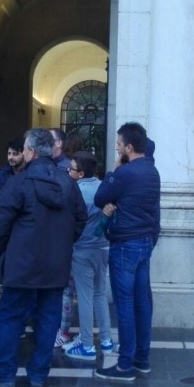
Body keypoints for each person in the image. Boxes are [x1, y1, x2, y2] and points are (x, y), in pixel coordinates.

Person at [0, 128, 86, 387]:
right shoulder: (68, 183)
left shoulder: (18, 182)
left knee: (11, 317)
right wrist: (63, 244)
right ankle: (38, 375)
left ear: (30, 151)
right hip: (55, 264)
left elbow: (0, 222)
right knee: (48, 319)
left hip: (21, 262)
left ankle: (5, 375)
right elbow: (80, 221)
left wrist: (6, 245)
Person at [93, 122, 161, 382]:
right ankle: (142, 360)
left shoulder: (126, 173)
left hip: (125, 245)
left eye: (119, 144)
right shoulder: (152, 171)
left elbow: (101, 197)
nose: (118, 147)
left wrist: (114, 170)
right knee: (142, 302)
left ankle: (124, 366)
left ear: (129, 147)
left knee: (125, 306)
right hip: (144, 242)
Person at [63, 151, 115, 361]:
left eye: (72, 168)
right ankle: (106, 340)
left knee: (84, 297)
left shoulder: (75, 191)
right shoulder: (103, 188)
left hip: (82, 249)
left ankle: (86, 344)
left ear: (81, 173)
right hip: (103, 247)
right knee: (100, 294)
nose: (68, 171)